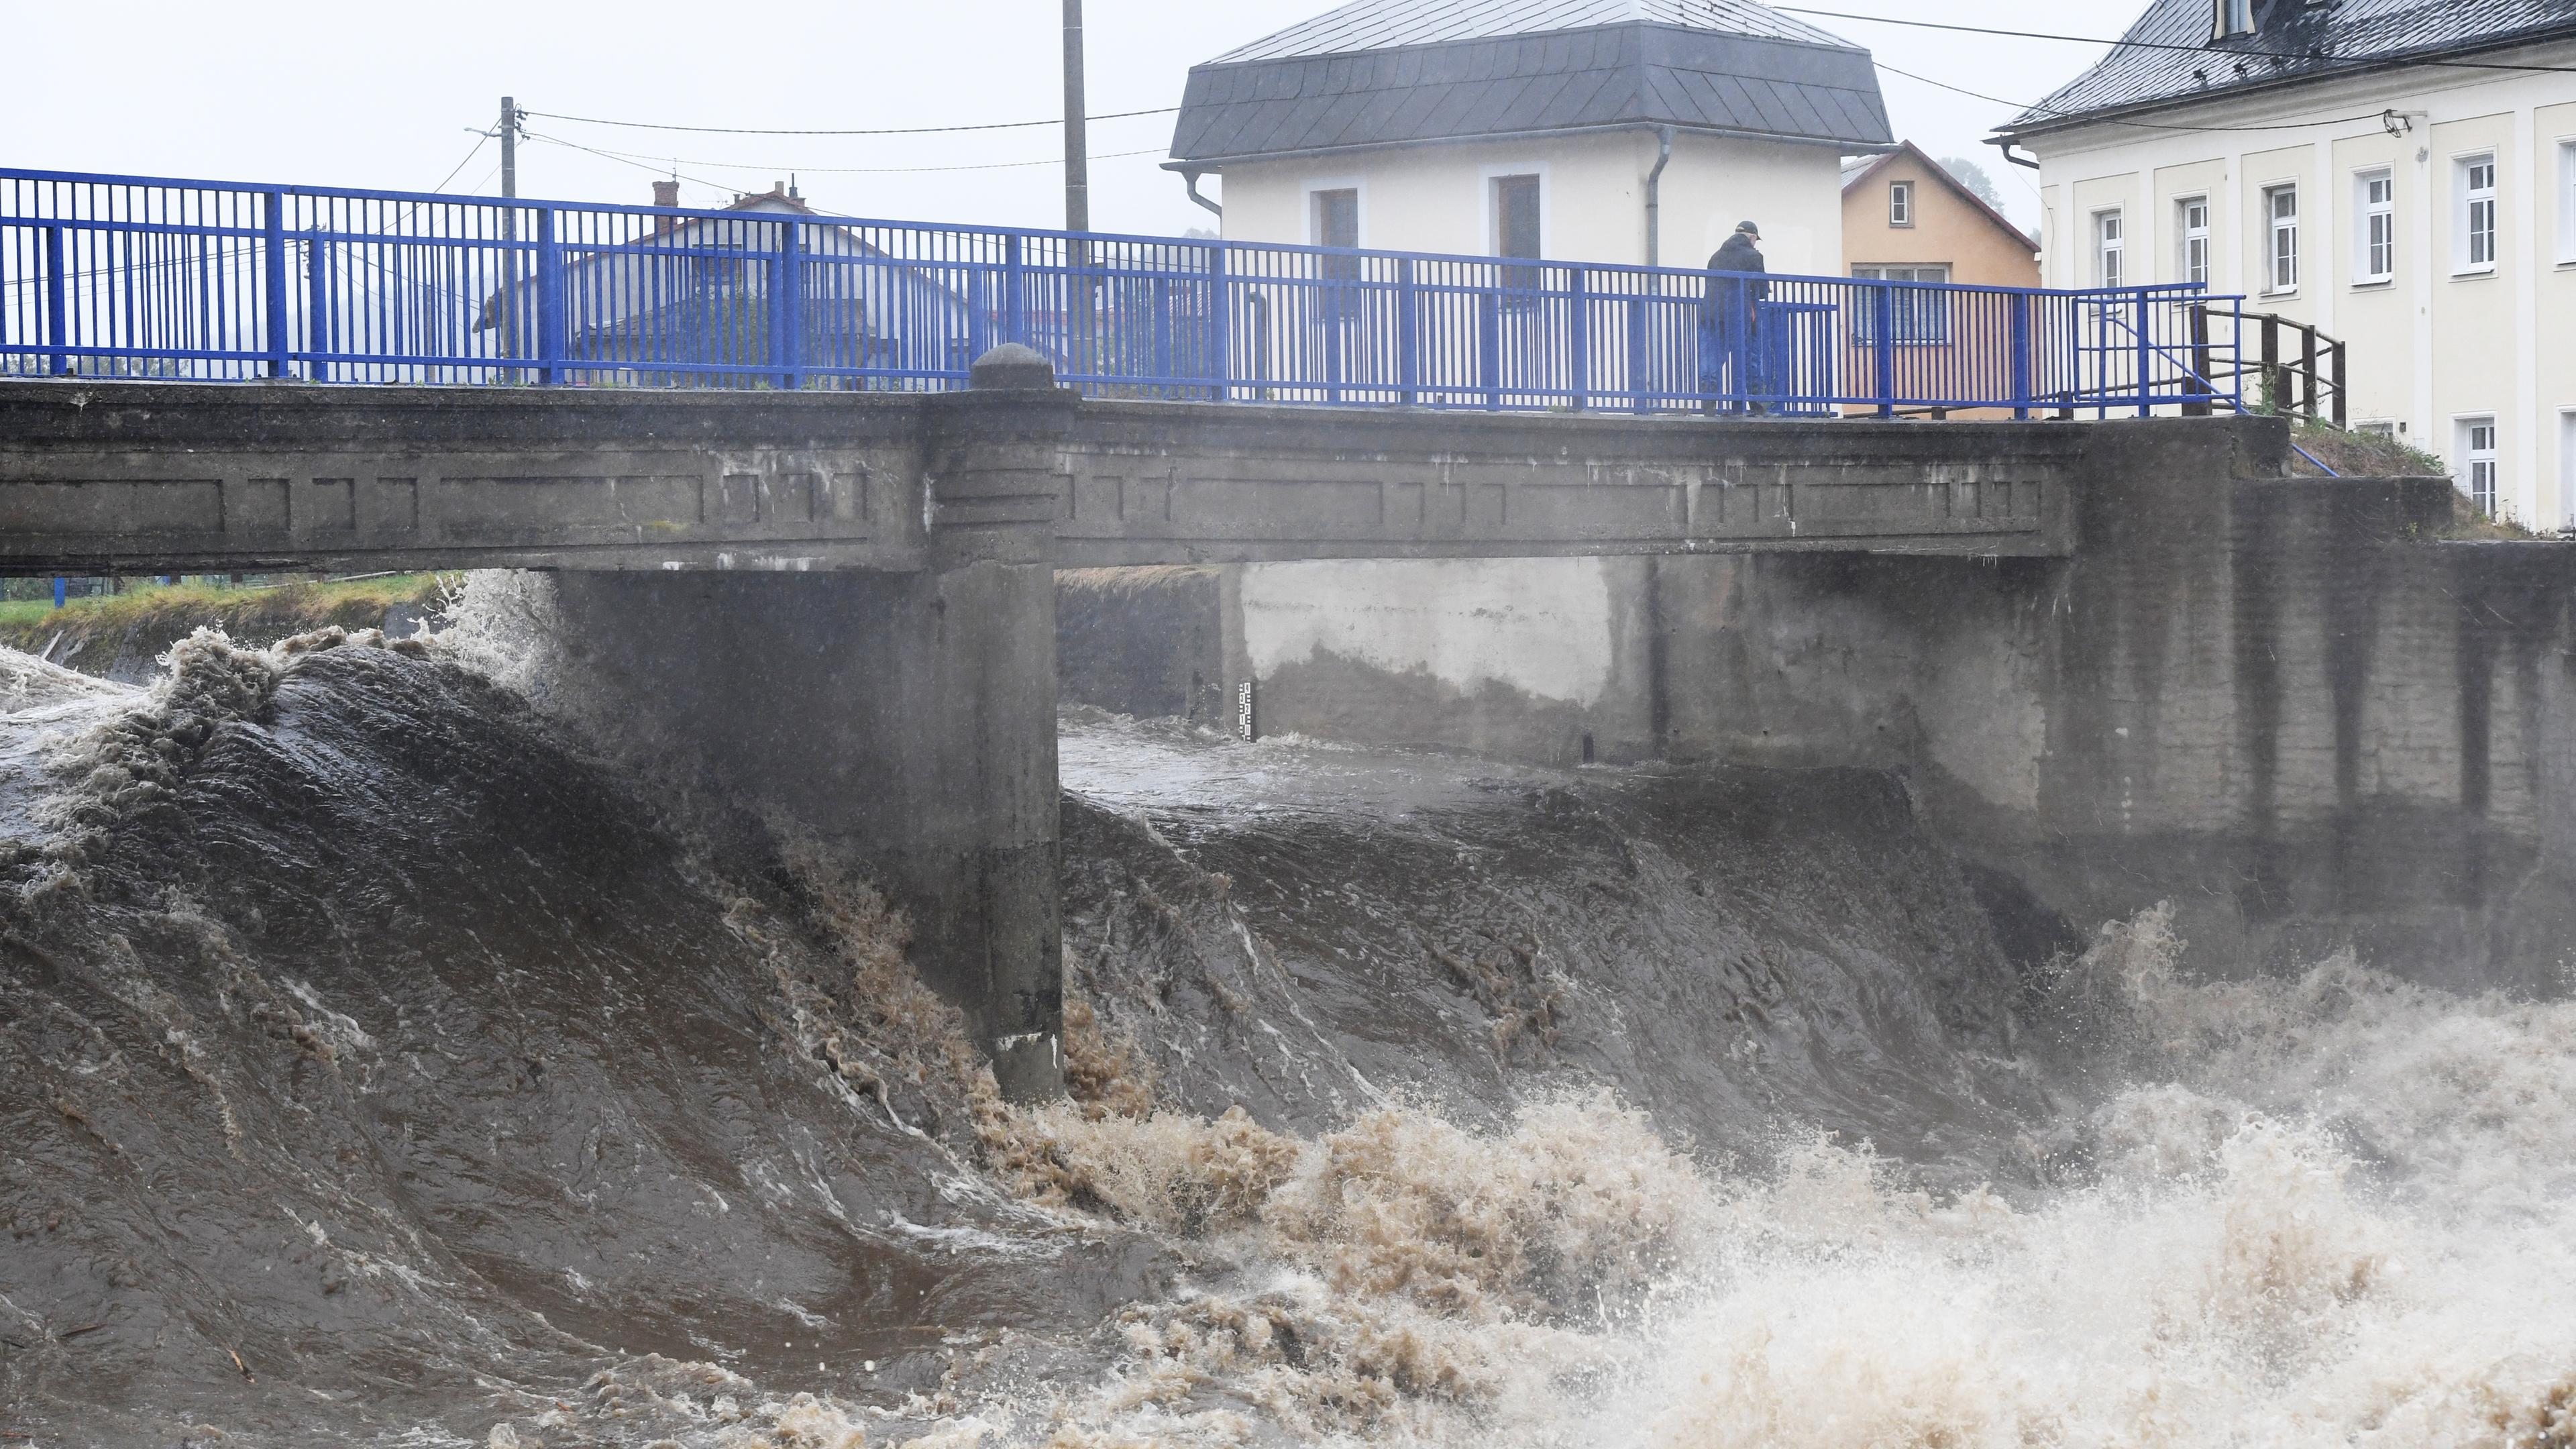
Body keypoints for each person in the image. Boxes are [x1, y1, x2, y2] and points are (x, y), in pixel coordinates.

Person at [1697, 221, 1770, 415]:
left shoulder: (1716, 256)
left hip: (1712, 315)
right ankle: (1756, 404)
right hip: (1739, 316)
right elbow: (1761, 290)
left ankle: (1709, 403)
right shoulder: (1754, 256)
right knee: (1749, 358)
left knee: (1711, 359)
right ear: (1752, 237)